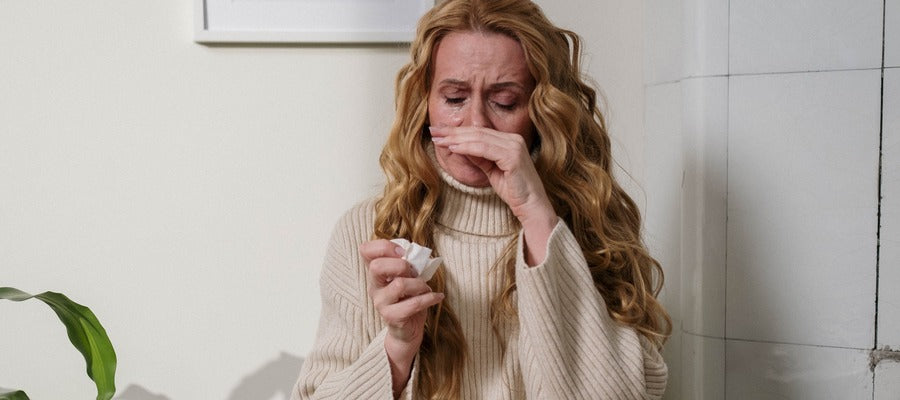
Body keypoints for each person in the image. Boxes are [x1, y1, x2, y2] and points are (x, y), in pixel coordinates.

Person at [291, 0, 671, 398]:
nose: (476, 125)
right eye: (454, 99)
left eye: (504, 102)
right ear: (425, 106)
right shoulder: (368, 231)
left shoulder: (592, 221)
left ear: (541, 112)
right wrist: (396, 351)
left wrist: (538, 218)